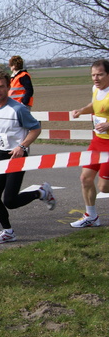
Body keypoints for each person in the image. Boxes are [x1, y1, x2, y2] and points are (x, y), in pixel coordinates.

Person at [0, 71, 56, 244]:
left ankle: (41, 192)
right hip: (0, 155)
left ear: (8, 88)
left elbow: (36, 129)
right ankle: (8, 231)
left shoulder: (18, 109)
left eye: (2, 87)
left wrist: (22, 146)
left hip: (17, 156)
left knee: (10, 201)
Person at [69, 59, 109, 228]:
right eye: (93, 75)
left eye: (100, 74)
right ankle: (91, 216)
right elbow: (94, 105)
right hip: (97, 142)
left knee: (104, 188)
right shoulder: (95, 89)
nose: (95, 78)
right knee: (85, 178)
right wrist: (81, 110)